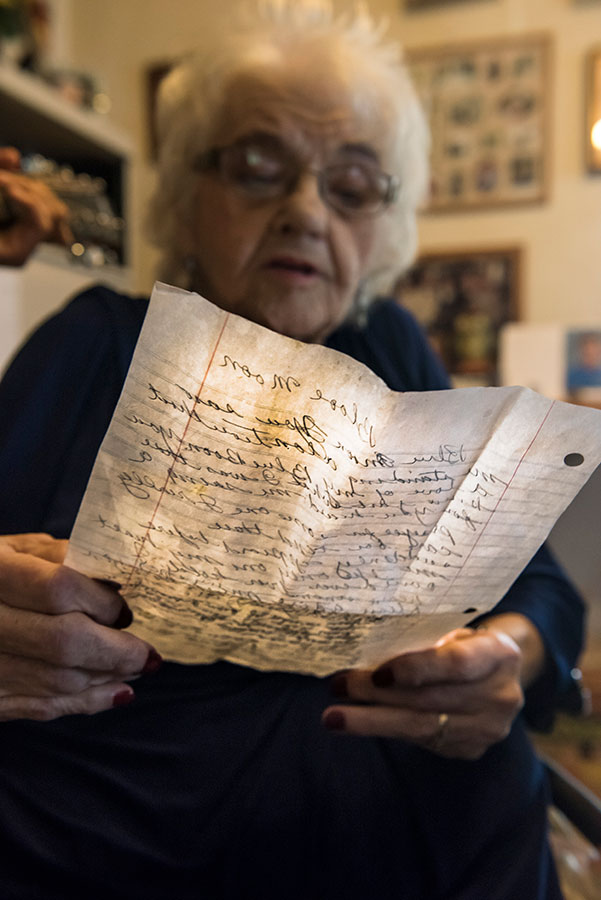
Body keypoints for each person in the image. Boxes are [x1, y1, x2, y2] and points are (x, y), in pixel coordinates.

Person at [0, 2, 584, 897]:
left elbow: (540, 588)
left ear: (383, 224)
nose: (305, 212)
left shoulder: (386, 342)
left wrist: (501, 658)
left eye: (350, 187)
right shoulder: (98, 341)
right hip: (132, 824)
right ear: (187, 199)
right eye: (258, 168)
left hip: (419, 812)